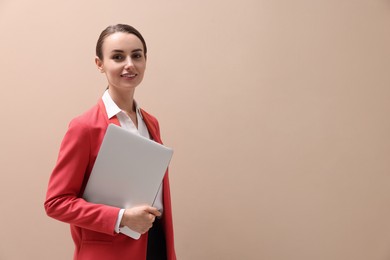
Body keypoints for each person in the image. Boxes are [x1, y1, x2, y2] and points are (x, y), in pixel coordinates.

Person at [44, 24, 176, 260]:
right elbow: (56, 203)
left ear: (146, 60)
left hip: (155, 243)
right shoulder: (84, 127)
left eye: (137, 55)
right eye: (117, 57)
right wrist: (122, 218)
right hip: (110, 252)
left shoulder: (151, 123)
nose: (129, 64)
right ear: (100, 64)